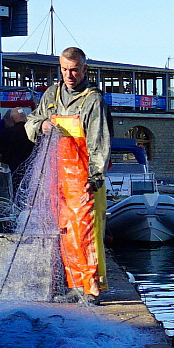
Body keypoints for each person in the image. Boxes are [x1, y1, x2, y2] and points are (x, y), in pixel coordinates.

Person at [27, 48, 112, 296]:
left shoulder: (93, 101)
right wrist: (41, 125)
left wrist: (95, 177)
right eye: (64, 69)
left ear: (85, 69)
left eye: (74, 69)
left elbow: (99, 143)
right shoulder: (52, 95)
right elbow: (32, 120)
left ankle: (92, 287)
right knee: (63, 228)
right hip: (56, 172)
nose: (69, 74)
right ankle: (74, 283)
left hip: (83, 176)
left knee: (85, 230)